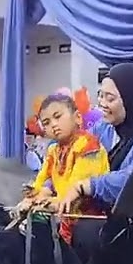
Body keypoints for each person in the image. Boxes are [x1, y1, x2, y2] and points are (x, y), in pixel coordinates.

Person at [58, 63, 133, 213]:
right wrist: (48, 187)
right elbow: (75, 151)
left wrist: (86, 186)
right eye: (100, 95)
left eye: (110, 98)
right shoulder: (104, 127)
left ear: (132, 101)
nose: (102, 103)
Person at [23, 92, 109, 243]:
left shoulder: (88, 146)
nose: (53, 125)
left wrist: (48, 203)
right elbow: (43, 180)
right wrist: (33, 196)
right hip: (62, 214)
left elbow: (76, 189)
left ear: (77, 117)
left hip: (88, 220)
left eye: (58, 117)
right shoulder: (53, 150)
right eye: (47, 122)